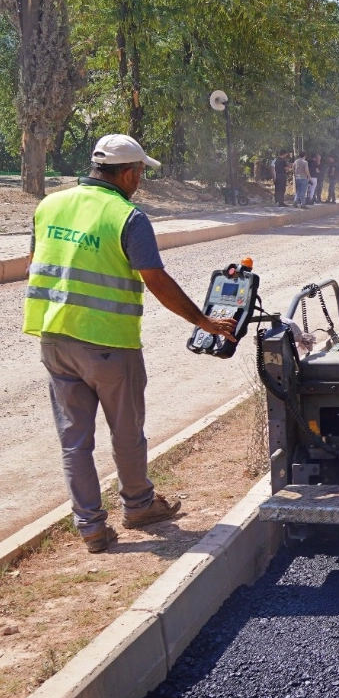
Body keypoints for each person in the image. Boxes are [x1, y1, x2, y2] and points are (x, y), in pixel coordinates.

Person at [24, 135, 238, 553]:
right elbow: (154, 279)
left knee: (74, 440)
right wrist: (203, 321)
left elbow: (38, 263)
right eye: (140, 172)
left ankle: (89, 528)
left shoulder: (48, 205)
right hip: (107, 343)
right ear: (127, 173)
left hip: (53, 339)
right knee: (126, 432)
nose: (140, 180)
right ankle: (138, 506)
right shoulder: (128, 217)